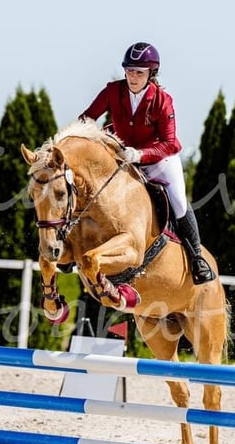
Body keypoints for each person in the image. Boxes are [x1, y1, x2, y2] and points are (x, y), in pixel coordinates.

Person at [79, 41, 216, 284]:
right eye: (129, 71)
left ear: (151, 74)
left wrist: (140, 155)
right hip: (122, 156)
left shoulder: (163, 100)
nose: (132, 77)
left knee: (179, 201)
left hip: (157, 159)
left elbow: (170, 143)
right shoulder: (112, 91)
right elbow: (88, 117)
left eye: (139, 73)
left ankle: (196, 257)